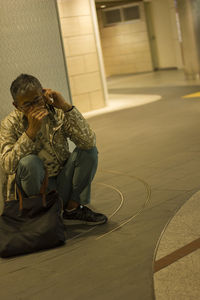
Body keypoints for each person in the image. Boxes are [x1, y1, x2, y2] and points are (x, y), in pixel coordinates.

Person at [0, 74, 107, 225]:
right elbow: (7, 165)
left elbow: (88, 141)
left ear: (43, 94)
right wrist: (30, 133)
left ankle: (72, 209)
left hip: (62, 181)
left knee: (89, 151)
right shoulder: (9, 124)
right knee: (29, 162)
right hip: (36, 190)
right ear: (17, 105)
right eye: (27, 105)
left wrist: (66, 107)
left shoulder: (56, 112)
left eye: (37, 100)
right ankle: (43, 214)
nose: (34, 107)